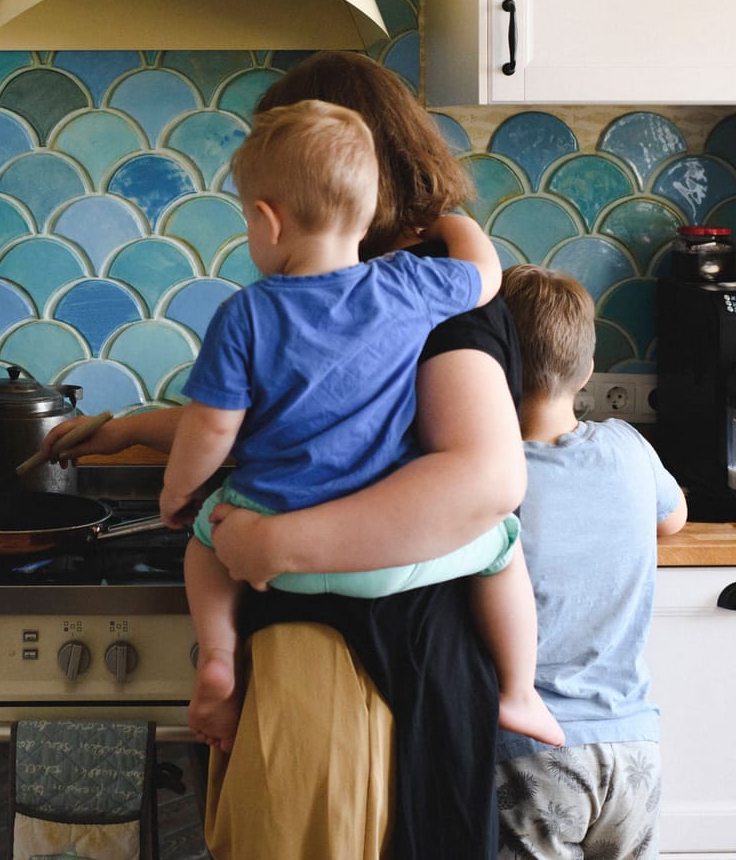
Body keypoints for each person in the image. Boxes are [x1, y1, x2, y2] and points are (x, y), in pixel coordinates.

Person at [39, 50, 526, 859]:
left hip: (366, 658)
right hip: (313, 648)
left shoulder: (418, 296)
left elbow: (484, 479)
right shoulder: (391, 287)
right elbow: (285, 422)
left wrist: (273, 542)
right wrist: (132, 427)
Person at [157, 100, 560, 752]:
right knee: (502, 543)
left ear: (267, 220)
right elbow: (486, 278)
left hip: (266, 547)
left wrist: (178, 497)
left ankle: (219, 657)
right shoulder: (407, 286)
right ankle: (521, 691)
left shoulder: (245, 314)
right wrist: (454, 224)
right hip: (387, 559)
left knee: (204, 545)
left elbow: (211, 430)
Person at [493, 264, 688, 860]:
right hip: (634, 747)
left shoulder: (492, 478)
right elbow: (673, 516)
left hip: (536, 751)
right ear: (584, 371)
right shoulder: (628, 446)